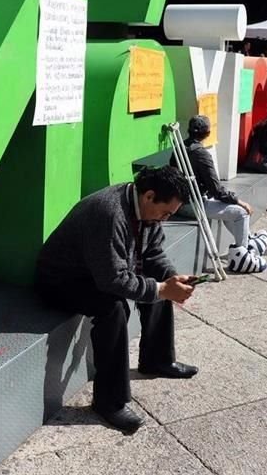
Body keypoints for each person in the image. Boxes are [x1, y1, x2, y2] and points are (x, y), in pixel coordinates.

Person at [35, 167, 197, 433]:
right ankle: (110, 403)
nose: (166, 220)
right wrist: (161, 289)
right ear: (149, 196)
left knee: (162, 283)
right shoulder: (108, 213)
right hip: (61, 281)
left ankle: (158, 359)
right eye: (166, 212)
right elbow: (112, 281)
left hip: (98, 272)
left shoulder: (146, 212)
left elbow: (153, 253)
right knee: (113, 308)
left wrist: (171, 277)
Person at [175, 116, 267, 271]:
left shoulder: (179, 148)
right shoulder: (201, 154)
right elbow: (216, 190)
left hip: (179, 202)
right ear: (208, 133)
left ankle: (247, 241)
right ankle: (243, 256)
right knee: (241, 213)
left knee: (228, 208)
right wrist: (240, 201)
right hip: (193, 205)